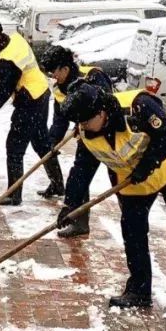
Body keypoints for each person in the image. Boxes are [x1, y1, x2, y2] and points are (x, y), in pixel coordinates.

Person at [58, 83, 166, 318]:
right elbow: (81, 170)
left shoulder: (138, 108)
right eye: (79, 123)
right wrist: (70, 205)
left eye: (85, 121)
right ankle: (139, 291)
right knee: (132, 231)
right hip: (132, 180)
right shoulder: (87, 130)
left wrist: (148, 164)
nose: (82, 127)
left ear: (101, 112)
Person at [0, 19, 58, 205]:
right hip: (41, 92)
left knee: (14, 148)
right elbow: (4, 84)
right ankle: (58, 184)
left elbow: (4, 88)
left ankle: (14, 194)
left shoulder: (7, 60)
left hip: (29, 100)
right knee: (41, 142)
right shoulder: (14, 39)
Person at [39, 45, 113, 237]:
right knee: (80, 175)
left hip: (113, 135)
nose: (52, 77)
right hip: (88, 136)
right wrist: (51, 144)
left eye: (54, 72)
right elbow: (59, 119)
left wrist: (85, 119)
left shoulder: (93, 77)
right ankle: (79, 220)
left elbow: (106, 104)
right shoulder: (59, 90)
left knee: (119, 179)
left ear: (65, 68)